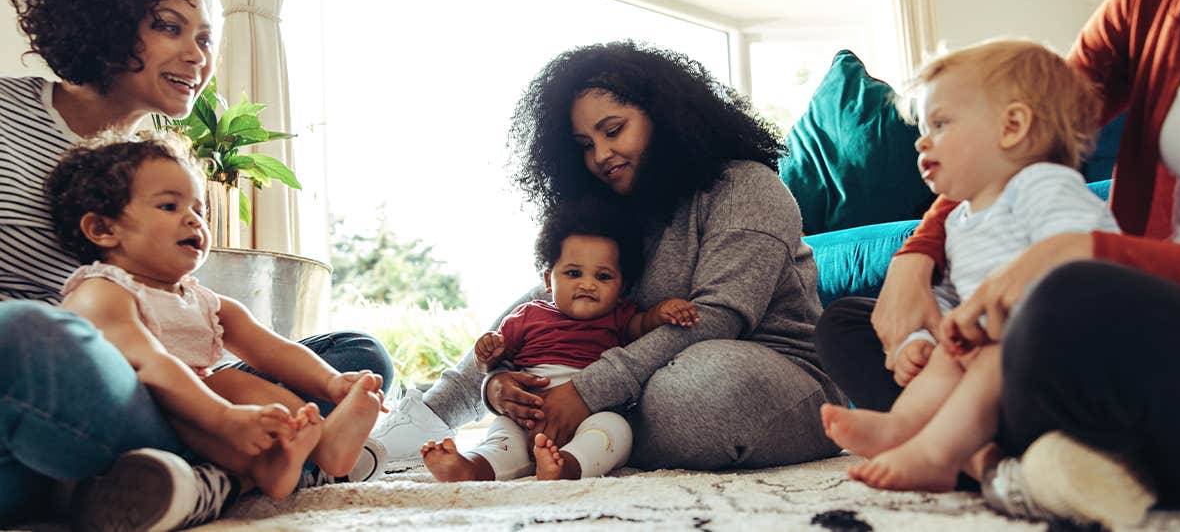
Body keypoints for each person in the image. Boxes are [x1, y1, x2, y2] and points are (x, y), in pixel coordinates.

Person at [0, 0, 392, 528]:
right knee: (25, 332)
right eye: (169, 27)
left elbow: (184, 317)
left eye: (205, 38)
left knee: (356, 356)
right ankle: (241, 468)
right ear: (103, 20)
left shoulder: (156, 169)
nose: (198, 56)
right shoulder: (7, 110)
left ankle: (197, 471)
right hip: (60, 371)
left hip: (162, 385)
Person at [815, 0, 1180, 527]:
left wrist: (1083, 252)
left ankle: (971, 455)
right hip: (1109, 339)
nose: (925, 139)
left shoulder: (1047, 192)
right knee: (848, 320)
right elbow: (1037, 108)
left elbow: (1072, 267)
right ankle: (1010, 460)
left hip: (1129, 313)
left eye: (938, 125)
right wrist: (917, 265)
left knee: (1052, 303)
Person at [375, 40, 847, 471]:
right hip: (639, 378)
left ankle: (563, 433)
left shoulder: (746, 186)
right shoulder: (618, 214)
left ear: (664, 116)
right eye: (584, 145)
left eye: (613, 130)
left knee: (695, 395)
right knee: (554, 292)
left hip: (774, 374)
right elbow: (555, 314)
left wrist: (585, 390)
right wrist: (500, 384)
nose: (601, 155)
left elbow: (718, 318)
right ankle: (434, 414)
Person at [818, 40, 1118, 492]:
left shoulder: (1042, 184)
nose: (922, 139)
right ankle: (904, 427)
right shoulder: (961, 218)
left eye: (940, 123)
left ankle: (937, 454)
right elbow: (951, 296)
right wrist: (919, 338)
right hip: (995, 352)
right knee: (946, 354)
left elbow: (1085, 250)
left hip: (1067, 353)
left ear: (1012, 126)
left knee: (991, 352)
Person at [46, 133, 387, 500]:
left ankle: (312, 449)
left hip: (195, 425)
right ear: (103, 229)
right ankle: (273, 466)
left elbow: (273, 349)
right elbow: (150, 364)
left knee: (232, 382)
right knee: (209, 387)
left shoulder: (204, 301)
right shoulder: (102, 290)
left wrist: (332, 383)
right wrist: (223, 416)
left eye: (199, 210)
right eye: (169, 206)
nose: (193, 221)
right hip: (122, 425)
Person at [421, 198, 697, 482]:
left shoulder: (620, 316)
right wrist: (487, 354)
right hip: (527, 413)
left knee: (615, 431)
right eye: (574, 273)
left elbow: (643, 326)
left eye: (603, 276)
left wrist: (661, 313)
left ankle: (566, 465)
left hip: (592, 412)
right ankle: (472, 467)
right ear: (549, 281)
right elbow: (497, 363)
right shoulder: (527, 314)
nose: (588, 284)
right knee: (503, 438)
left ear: (621, 288)